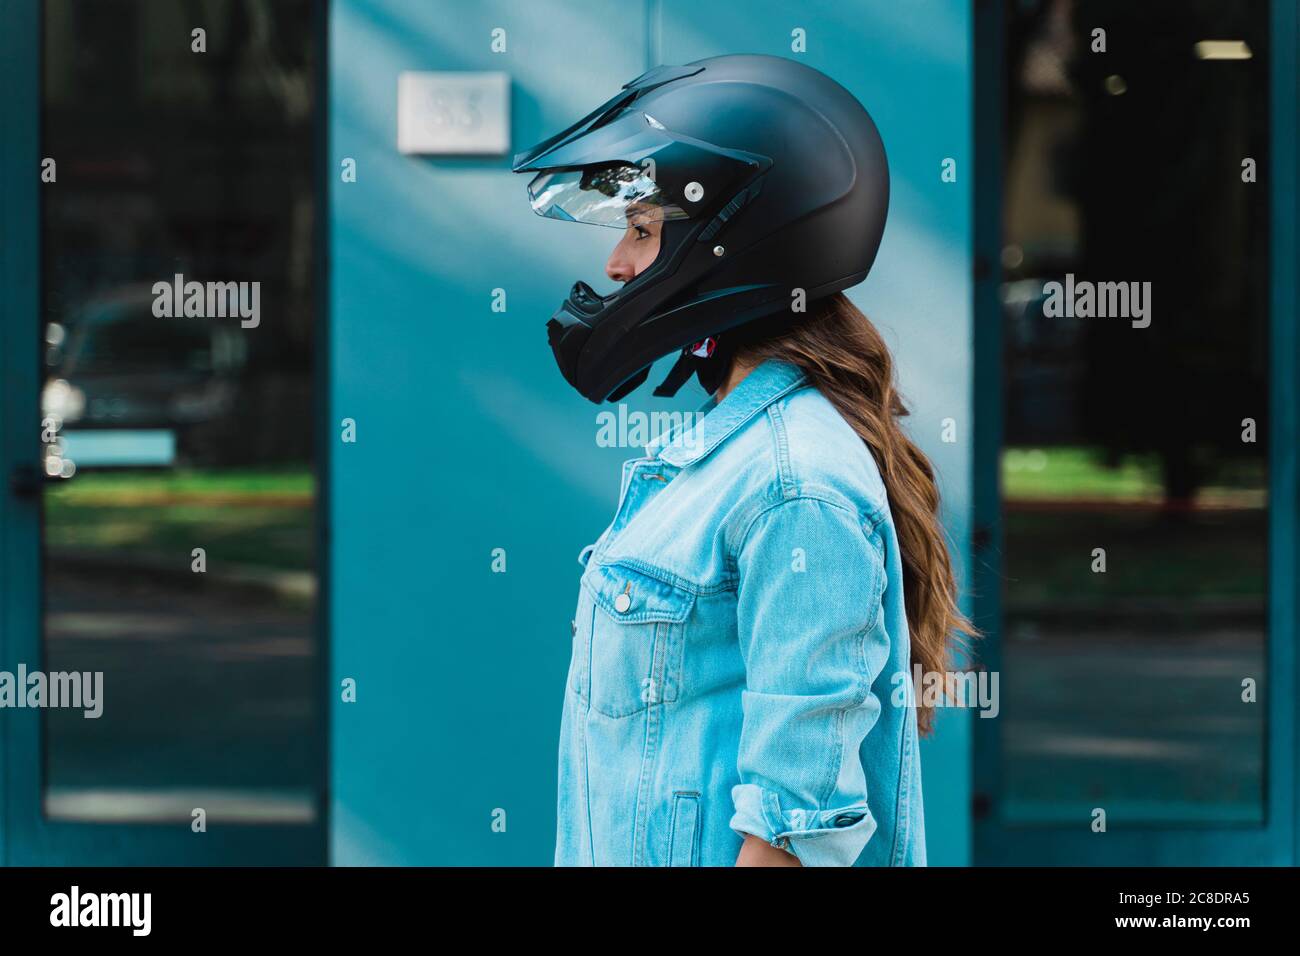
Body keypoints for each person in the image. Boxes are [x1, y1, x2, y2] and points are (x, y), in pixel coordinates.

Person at [514, 54, 974, 867]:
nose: (618, 263)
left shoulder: (793, 484)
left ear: (735, 247)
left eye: (644, 229)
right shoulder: (737, 457)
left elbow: (793, 832)